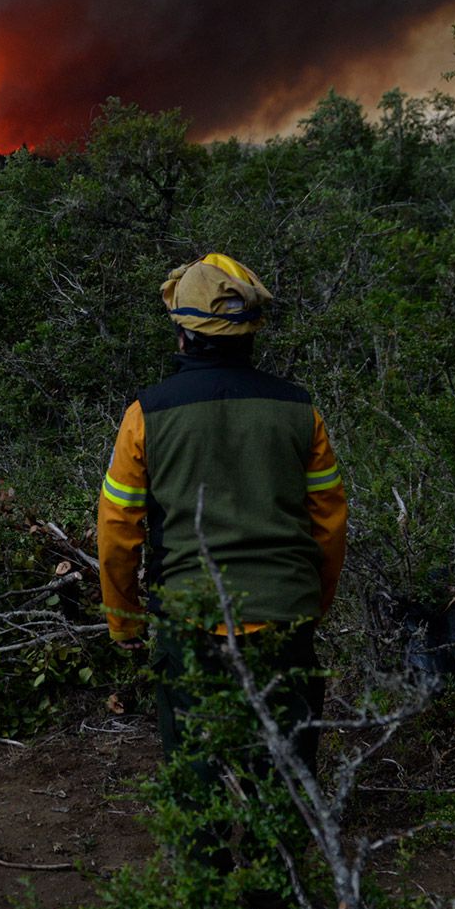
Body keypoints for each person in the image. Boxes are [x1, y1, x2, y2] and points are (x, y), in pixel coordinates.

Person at [96, 253, 347, 774]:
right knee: (283, 783)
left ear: (183, 333)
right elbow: (329, 523)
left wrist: (124, 621)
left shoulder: (146, 415)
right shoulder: (302, 411)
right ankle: (280, 856)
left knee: (195, 783)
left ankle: (206, 855)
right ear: (251, 332)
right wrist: (311, 606)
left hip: (191, 621)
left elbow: (118, 529)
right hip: (286, 619)